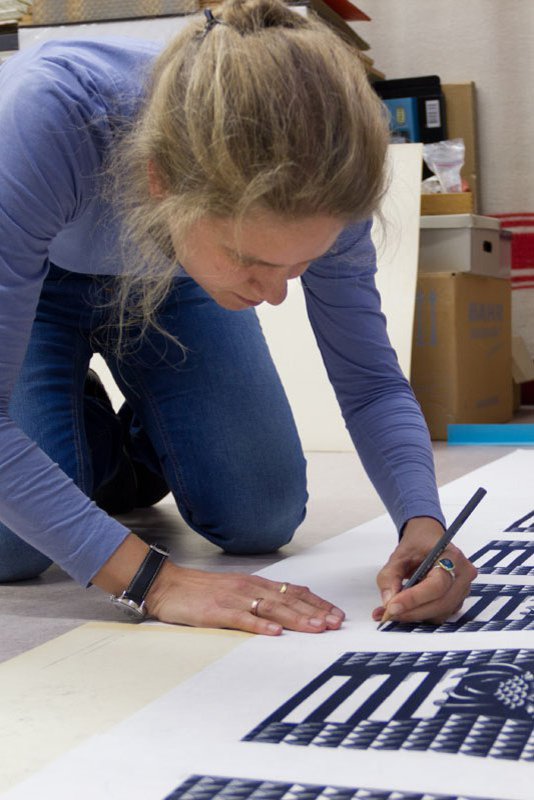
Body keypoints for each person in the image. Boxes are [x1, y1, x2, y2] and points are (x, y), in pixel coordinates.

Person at [0, 0, 476, 635]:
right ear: (161, 180)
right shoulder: (45, 119)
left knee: (262, 512)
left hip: (176, 271)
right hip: (36, 276)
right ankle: (70, 407)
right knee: (15, 549)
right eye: (253, 261)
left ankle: (120, 440)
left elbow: (371, 382)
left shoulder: (329, 174)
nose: (276, 296)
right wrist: (154, 581)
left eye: (297, 264)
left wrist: (424, 524)